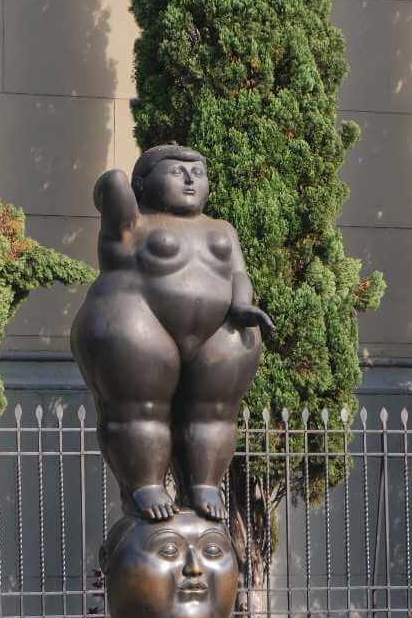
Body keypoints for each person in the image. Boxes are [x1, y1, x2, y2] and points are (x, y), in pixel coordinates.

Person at [71, 144, 273, 523]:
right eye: (176, 170)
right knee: (139, 409)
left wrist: (243, 306)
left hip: (218, 329)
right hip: (138, 318)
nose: (189, 179)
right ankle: (145, 482)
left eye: (197, 171)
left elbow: (238, 274)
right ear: (143, 184)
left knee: (215, 413)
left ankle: (204, 483)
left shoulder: (222, 229)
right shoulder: (134, 223)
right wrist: (118, 186)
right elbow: (110, 186)